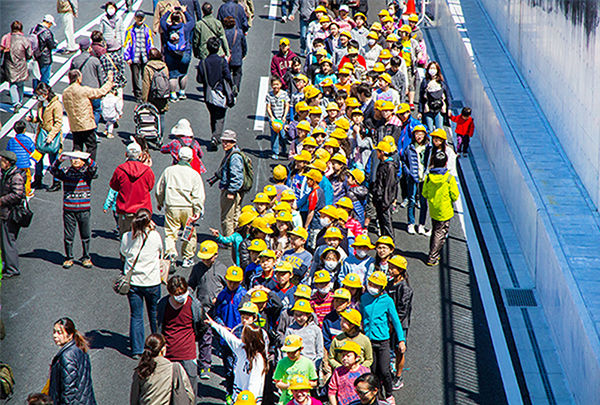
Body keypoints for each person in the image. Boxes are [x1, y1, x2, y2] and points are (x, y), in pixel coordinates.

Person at [119, 208, 163, 358]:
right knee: (154, 314)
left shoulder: (127, 236)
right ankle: (157, 345)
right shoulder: (155, 236)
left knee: (136, 315)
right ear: (149, 221)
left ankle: (137, 349)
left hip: (134, 283)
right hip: (152, 282)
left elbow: (124, 253)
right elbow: (161, 252)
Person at [157, 276, 209, 398]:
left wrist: (192, 340)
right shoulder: (163, 304)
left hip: (188, 355)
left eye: (183, 293)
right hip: (168, 356)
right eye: (177, 294)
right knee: (167, 393)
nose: (180, 297)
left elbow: (202, 326)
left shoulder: (194, 305)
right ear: (170, 293)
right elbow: (159, 326)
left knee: (189, 392)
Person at [156, 146, 205, 269]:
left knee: (171, 233)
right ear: (191, 159)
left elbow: (160, 189)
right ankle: (187, 258)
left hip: (172, 206)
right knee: (189, 232)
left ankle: (171, 253)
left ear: (177, 157)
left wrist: (160, 202)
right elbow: (198, 195)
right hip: (188, 207)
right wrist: (198, 210)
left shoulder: (169, 171)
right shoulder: (194, 174)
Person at [361, 271, 406, 404]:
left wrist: (401, 340)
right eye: (371, 284)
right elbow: (362, 316)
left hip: (383, 341)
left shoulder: (387, 301)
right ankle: (377, 394)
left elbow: (396, 321)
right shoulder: (364, 298)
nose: (372, 287)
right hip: (369, 341)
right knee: (373, 370)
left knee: (384, 370)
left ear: (382, 288)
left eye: (375, 285)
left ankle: (389, 394)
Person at [187, 240, 228, 378]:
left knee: (223, 338)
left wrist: (221, 298)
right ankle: (205, 366)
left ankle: (229, 365)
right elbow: (191, 285)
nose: (205, 260)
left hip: (219, 311)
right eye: (203, 257)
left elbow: (230, 287)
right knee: (205, 337)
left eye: (208, 257)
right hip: (203, 309)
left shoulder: (222, 269)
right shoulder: (198, 268)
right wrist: (191, 299)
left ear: (216, 255)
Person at [206, 314, 267, 404]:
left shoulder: (258, 359)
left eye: (243, 334)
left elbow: (254, 383)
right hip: (238, 395)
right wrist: (213, 324)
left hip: (249, 399)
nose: (241, 335)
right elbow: (228, 337)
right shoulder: (241, 348)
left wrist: (248, 400)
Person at [50, 153, 97, 269]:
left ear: (83, 160)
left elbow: (94, 167)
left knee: (85, 234)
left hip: (84, 209)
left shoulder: (87, 172)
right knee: (68, 236)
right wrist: (59, 161)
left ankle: (86, 257)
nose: (75, 161)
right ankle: (69, 258)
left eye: (78, 159)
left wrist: (87, 158)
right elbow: (53, 170)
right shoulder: (66, 172)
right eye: (73, 159)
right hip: (69, 209)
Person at [62, 69, 114, 161]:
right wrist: (109, 82)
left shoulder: (65, 92)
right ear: (78, 79)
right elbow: (100, 92)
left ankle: (76, 166)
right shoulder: (83, 90)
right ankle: (89, 166)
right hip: (86, 124)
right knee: (91, 145)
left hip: (74, 124)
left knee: (77, 147)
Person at [130, 333, 195, 404]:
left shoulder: (141, 369)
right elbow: (190, 395)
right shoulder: (174, 368)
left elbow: (134, 397)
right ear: (163, 349)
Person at [422, 151, 460, 266]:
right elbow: (455, 195)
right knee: (440, 233)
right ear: (446, 163)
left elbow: (425, 193)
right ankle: (432, 257)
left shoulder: (429, 177)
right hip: (445, 210)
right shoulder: (449, 178)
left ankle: (433, 253)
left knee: (435, 230)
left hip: (433, 209)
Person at [110, 142, 156, 235]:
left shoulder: (120, 169)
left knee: (126, 240)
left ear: (126, 154)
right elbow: (150, 187)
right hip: (143, 212)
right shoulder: (147, 171)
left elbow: (114, 186)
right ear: (140, 155)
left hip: (125, 210)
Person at [196, 37, 233, 151]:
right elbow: (228, 77)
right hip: (221, 92)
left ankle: (214, 135)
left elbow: (199, 79)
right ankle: (216, 137)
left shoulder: (203, 63)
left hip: (208, 94)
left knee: (212, 115)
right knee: (220, 116)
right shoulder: (222, 62)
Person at [49, 318, 97, 405]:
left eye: (59, 333)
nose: (55, 336)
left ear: (70, 335)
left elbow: (69, 392)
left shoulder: (67, 356)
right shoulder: (79, 348)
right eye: (54, 332)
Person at [385, 255, 413, 390]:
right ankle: (389, 369)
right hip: (388, 322)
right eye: (390, 266)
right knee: (388, 348)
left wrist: (392, 324)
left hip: (400, 325)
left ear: (401, 270)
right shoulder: (390, 283)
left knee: (399, 350)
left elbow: (402, 311)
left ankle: (398, 376)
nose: (390, 269)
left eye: (393, 267)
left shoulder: (405, 289)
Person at [402, 124, 431, 236]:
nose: (419, 136)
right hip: (412, 177)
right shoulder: (409, 148)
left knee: (423, 202)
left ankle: (421, 225)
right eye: (417, 133)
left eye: (421, 133)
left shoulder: (428, 148)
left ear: (425, 135)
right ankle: (411, 223)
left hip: (424, 178)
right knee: (412, 200)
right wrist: (408, 173)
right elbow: (403, 161)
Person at [160, 5, 195, 101]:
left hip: (171, 54)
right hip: (184, 53)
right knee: (183, 73)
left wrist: (169, 11)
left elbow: (162, 21)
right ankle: (182, 92)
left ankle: (173, 94)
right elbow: (192, 21)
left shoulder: (168, 28)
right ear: (180, 19)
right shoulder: (185, 27)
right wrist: (185, 11)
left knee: (173, 75)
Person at [215, 129, 244, 237]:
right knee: (235, 215)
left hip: (230, 190)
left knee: (227, 216)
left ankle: (228, 239)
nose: (224, 144)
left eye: (228, 141)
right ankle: (234, 237)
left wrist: (231, 191)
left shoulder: (234, 156)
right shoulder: (232, 153)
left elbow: (237, 176)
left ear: (234, 143)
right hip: (235, 190)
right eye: (223, 141)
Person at [273, 335, 318, 405]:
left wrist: (302, 386)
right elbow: (277, 382)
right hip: (286, 400)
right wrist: (290, 386)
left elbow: (314, 382)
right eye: (288, 352)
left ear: (301, 349)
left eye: (294, 352)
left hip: (303, 399)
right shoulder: (282, 363)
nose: (291, 354)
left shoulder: (308, 363)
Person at [0, 151, 25, 278]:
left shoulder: (16, 176)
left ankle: (12, 268)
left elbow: (17, 194)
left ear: (8, 162)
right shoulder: (6, 174)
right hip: (4, 213)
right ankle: (7, 265)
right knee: (4, 241)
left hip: (10, 214)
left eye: (2, 160)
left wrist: (1, 200)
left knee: (9, 241)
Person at [1, 21, 32, 113]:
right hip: (21, 65)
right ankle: (20, 101)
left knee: (12, 84)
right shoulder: (24, 40)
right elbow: (29, 54)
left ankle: (16, 102)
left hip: (9, 64)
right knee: (20, 84)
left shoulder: (6, 37)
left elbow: (1, 50)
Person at [123, 11, 154, 102]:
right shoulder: (130, 30)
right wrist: (127, 57)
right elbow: (127, 44)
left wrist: (151, 56)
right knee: (135, 77)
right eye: (138, 17)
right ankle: (137, 95)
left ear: (144, 18)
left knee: (146, 77)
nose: (140, 19)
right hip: (134, 57)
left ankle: (146, 94)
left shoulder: (147, 29)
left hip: (145, 56)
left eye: (141, 17)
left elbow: (150, 43)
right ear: (135, 18)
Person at [141, 48, 170, 144]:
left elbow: (146, 84)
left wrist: (144, 100)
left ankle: (152, 134)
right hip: (162, 95)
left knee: (152, 115)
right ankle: (160, 137)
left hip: (152, 96)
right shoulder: (164, 66)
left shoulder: (148, 68)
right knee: (161, 116)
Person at [371, 140, 398, 238]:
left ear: (382, 152)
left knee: (387, 225)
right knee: (382, 224)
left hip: (384, 202)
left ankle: (390, 245)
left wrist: (386, 203)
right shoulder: (382, 164)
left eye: (378, 151)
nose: (376, 153)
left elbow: (389, 186)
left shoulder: (390, 167)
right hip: (379, 199)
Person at [418, 61, 449, 132]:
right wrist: (420, 111)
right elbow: (421, 97)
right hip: (428, 109)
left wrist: (448, 108)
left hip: (439, 108)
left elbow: (447, 95)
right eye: (431, 68)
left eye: (434, 68)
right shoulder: (425, 81)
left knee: (439, 129)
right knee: (429, 129)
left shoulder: (441, 82)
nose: (432, 70)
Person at [6, 121, 35, 198]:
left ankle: (14, 191)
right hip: (25, 163)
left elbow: (8, 151)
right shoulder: (28, 139)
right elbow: (32, 149)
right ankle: (27, 192)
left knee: (14, 177)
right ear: (24, 129)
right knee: (28, 178)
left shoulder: (11, 141)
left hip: (15, 164)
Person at [266, 76, 290, 160]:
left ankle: (283, 147)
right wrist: (271, 117)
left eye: (277, 84)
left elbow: (287, 105)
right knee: (274, 136)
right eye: (273, 85)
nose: (276, 86)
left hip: (282, 118)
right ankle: (275, 152)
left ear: (280, 85)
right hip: (274, 119)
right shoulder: (269, 95)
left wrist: (284, 117)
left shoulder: (284, 94)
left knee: (283, 136)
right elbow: (268, 107)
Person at [30, 14, 57, 87]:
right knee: (44, 77)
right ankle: (42, 93)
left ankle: (35, 92)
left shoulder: (34, 29)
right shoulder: (47, 32)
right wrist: (55, 43)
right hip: (45, 58)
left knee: (36, 75)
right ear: (49, 23)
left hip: (35, 56)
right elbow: (52, 45)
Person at [223, 16, 247, 93]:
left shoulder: (223, 33)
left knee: (227, 72)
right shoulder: (239, 32)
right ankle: (236, 85)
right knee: (237, 73)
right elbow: (244, 44)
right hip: (237, 57)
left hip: (227, 57)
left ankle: (229, 87)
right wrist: (243, 54)